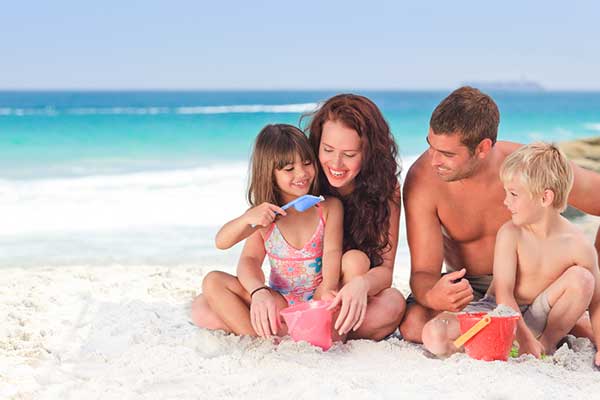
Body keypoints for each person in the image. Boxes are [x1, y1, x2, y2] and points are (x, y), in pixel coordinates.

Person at [400, 86, 600, 343]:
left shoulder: (526, 166)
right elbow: (423, 274)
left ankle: (541, 329)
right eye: (431, 146)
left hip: (532, 283)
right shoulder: (423, 180)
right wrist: (432, 295)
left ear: (482, 148)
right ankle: (553, 329)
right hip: (470, 288)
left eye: (448, 154)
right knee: (413, 326)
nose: (433, 160)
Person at [422, 143, 600, 366]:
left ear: (545, 198)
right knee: (433, 335)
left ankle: (545, 343)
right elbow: (504, 296)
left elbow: (596, 302)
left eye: (514, 194)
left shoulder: (578, 245)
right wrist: (523, 338)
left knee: (583, 279)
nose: (506, 202)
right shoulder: (510, 233)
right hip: (498, 312)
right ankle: (509, 343)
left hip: (539, 315)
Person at [190, 124, 343, 337]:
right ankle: (258, 340)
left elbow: (333, 252)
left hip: (317, 301)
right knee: (212, 282)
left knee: (205, 309)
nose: (302, 173)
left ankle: (267, 332)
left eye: (307, 163)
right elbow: (239, 254)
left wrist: (327, 287)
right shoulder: (263, 217)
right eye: (289, 169)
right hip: (278, 302)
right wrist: (259, 291)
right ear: (269, 173)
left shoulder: (328, 208)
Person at [305, 94, 406, 340]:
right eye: (328, 150)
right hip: (308, 289)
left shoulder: (386, 189)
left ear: (369, 154)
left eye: (349, 154)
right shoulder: (306, 178)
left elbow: (385, 269)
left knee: (393, 302)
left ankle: (325, 331)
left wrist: (361, 285)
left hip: (350, 292)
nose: (336, 163)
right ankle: (325, 329)